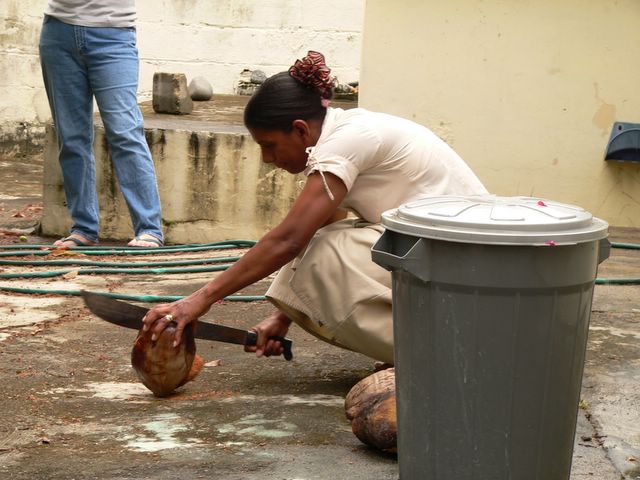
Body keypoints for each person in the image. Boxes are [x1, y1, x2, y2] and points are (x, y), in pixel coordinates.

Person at [142, 51, 488, 365]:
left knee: (324, 253)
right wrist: (284, 316)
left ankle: (435, 357)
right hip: (443, 252)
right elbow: (318, 228)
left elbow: (289, 239)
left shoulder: (348, 140)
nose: (267, 159)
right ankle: (425, 350)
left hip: (464, 257)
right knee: (323, 244)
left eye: (269, 145)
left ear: (300, 130)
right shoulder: (343, 134)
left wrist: (199, 300)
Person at [39, 0, 164, 248]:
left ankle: (149, 229)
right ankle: (84, 228)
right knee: (71, 138)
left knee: (125, 131)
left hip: (114, 35)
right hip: (58, 32)